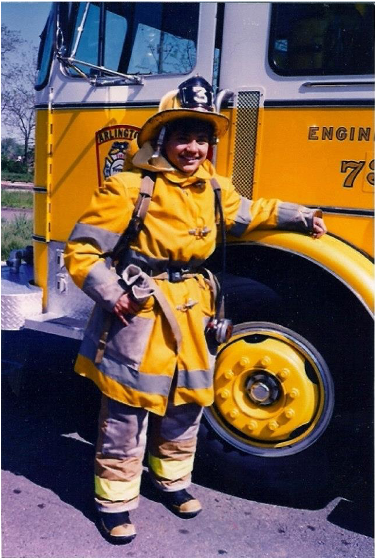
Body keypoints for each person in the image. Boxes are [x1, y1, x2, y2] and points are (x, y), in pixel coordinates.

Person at [64, 76, 327, 545]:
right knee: (127, 412)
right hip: (140, 315)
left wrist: (301, 216)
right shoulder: (128, 188)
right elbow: (82, 251)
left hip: (194, 315)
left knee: (187, 405)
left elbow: (253, 211)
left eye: (202, 139)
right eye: (183, 137)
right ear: (161, 140)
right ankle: (114, 503)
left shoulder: (215, 190)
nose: (193, 148)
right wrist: (113, 294)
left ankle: (172, 482)